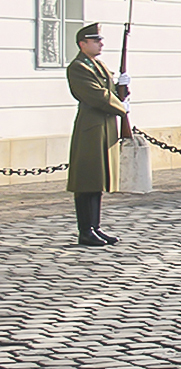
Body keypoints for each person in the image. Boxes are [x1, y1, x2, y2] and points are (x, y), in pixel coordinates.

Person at [66, 23, 128, 247]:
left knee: (97, 181)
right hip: (90, 128)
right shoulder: (78, 67)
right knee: (86, 181)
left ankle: (95, 226)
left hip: (105, 125)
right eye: (96, 40)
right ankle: (85, 230)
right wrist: (121, 106)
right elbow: (96, 96)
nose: (101, 43)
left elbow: (109, 91)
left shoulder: (98, 64)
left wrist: (123, 88)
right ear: (83, 44)